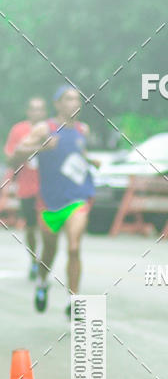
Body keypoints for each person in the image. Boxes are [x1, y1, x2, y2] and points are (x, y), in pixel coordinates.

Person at [17, 85, 96, 316]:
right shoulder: (46, 128)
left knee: (74, 247)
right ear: (58, 104)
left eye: (77, 100)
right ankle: (42, 281)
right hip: (49, 202)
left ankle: (74, 300)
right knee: (49, 250)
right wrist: (40, 147)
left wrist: (90, 161)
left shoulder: (83, 129)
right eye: (69, 99)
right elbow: (20, 150)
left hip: (78, 198)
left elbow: (77, 154)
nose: (75, 104)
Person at [4, 96, 47, 279]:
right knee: (30, 227)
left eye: (40, 109)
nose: (37, 112)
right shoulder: (19, 130)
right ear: (28, 111)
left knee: (47, 227)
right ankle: (33, 260)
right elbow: (10, 157)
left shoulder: (51, 129)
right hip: (27, 186)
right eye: (33, 109)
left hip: (48, 187)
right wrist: (31, 149)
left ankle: (45, 261)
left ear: (45, 112)